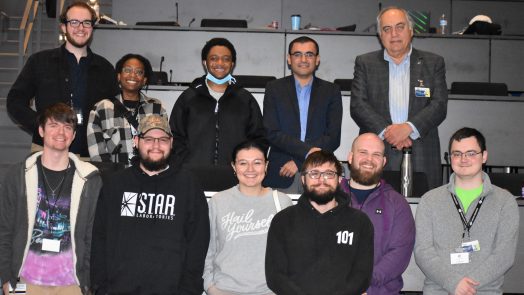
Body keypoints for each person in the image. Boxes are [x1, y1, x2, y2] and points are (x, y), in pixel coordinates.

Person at [91, 114, 210, 294]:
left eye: (162, 139)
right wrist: (100, 287)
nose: (156, 145)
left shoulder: (189, 186)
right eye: (149, 139)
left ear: (171, 143)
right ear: (136, 141)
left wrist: (188, 291)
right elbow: (98, 238)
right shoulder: (116, 185)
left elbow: (198, 244)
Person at [0, 103, 102, 295]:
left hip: (72, 284)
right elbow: (4, 230)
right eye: (54, 125)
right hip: (26, 282)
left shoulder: (90, 179)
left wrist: (86, 284)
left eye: (67, 127)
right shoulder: (17, 175)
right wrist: (6, 279)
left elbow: (92, 237)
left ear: (73, 135)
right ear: (41, 130)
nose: (60, 132)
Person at [350, 6, 448, 190]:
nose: (394, 34)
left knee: (423, 214)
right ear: (380, 35)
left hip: (422, 153)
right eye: (387, 29)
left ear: (411, 31)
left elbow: (439, 105)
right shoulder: (365, 63)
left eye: (400, 27)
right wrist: (390, 132)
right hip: (377, 152)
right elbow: (358, 105)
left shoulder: (434, 63)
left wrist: (408, 128)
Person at [6, 1, 119, 158]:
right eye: (74, 22)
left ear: (92, 28)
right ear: (64, 27)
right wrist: (42, 124)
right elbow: (15, 101)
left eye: (86, 22)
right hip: (46, 152)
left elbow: (115, 109)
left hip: (91, 154)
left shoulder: (105, 68)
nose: (80, 28)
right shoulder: (39, 61)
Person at [415, 127, 519, 295]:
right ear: (449, 158)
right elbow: (423, 252)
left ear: (484, 156)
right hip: (439, 290)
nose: (463, 159)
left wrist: (467, 287)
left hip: (485, 291)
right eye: (457, 154)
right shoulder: (430, 200)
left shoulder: (505, 202)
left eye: (471, 153)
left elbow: (504, 256)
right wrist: (453, 283)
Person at [265, 150, 373, 295]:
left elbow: (362, 276)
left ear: (339, 180)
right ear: (303, 179)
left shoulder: (360, 222)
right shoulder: (283, 221)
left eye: (329, 174)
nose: (322, 180)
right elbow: (275, 276)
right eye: (314, 174)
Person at [204, 140, 293, 295]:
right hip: (224, 289)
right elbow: (208, 250)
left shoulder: (282, 202)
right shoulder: (218, 201)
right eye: (243, 163)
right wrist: (210, 287)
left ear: (266, 166)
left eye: (257, 163)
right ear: (234, 166)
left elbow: (291, 253)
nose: (250, 169)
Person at [263, 36, 342, 194]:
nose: (304, 59)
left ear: (317, 59)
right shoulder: (274, 88)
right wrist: (306, 153)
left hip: (320, 174)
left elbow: (333, 137)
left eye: (309, 54)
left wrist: (300, 161)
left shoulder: (331, 91)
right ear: (289, 59)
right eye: (297, 54)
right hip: (281, 171)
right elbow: (271, 132)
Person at [169, 37, 265, 167]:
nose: (220, 63)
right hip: (193, 173)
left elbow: (258, 138)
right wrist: (186, 161)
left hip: (235, 175)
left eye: (226, 59)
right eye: (213, 58)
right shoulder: (188, 97)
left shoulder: (245, 99)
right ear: (205, 62)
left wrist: (245, 165)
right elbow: (175, 136)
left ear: (232, 64)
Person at [340, 133, 415, 295]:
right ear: (350, 157)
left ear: (384, 161)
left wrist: (364, 282)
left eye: (376, 155)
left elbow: (399, 253)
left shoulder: (398, 204)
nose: (369, 159)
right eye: (363, 152)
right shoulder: (330, 198)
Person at [87, 53, 167, 164]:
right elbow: (97, 156)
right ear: (119, 76)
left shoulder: (156, 108)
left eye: (139, 72)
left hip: (149, 176)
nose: (133, 75)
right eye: (127, 70)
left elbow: (163, 146)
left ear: (144, 80)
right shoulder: (102, 109)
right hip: (115, 177)